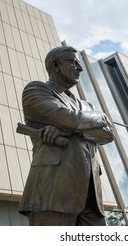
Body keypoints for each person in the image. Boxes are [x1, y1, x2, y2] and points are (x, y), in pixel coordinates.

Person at [18, 46, 114, 226]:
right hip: (52, 190)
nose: (80, 68)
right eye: (73, 62)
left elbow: (108, 135)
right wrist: (99, 118)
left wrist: (67, 128)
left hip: (92, 197)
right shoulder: (36, 90)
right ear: (56, 66)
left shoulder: (87, 106)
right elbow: (72, 119)